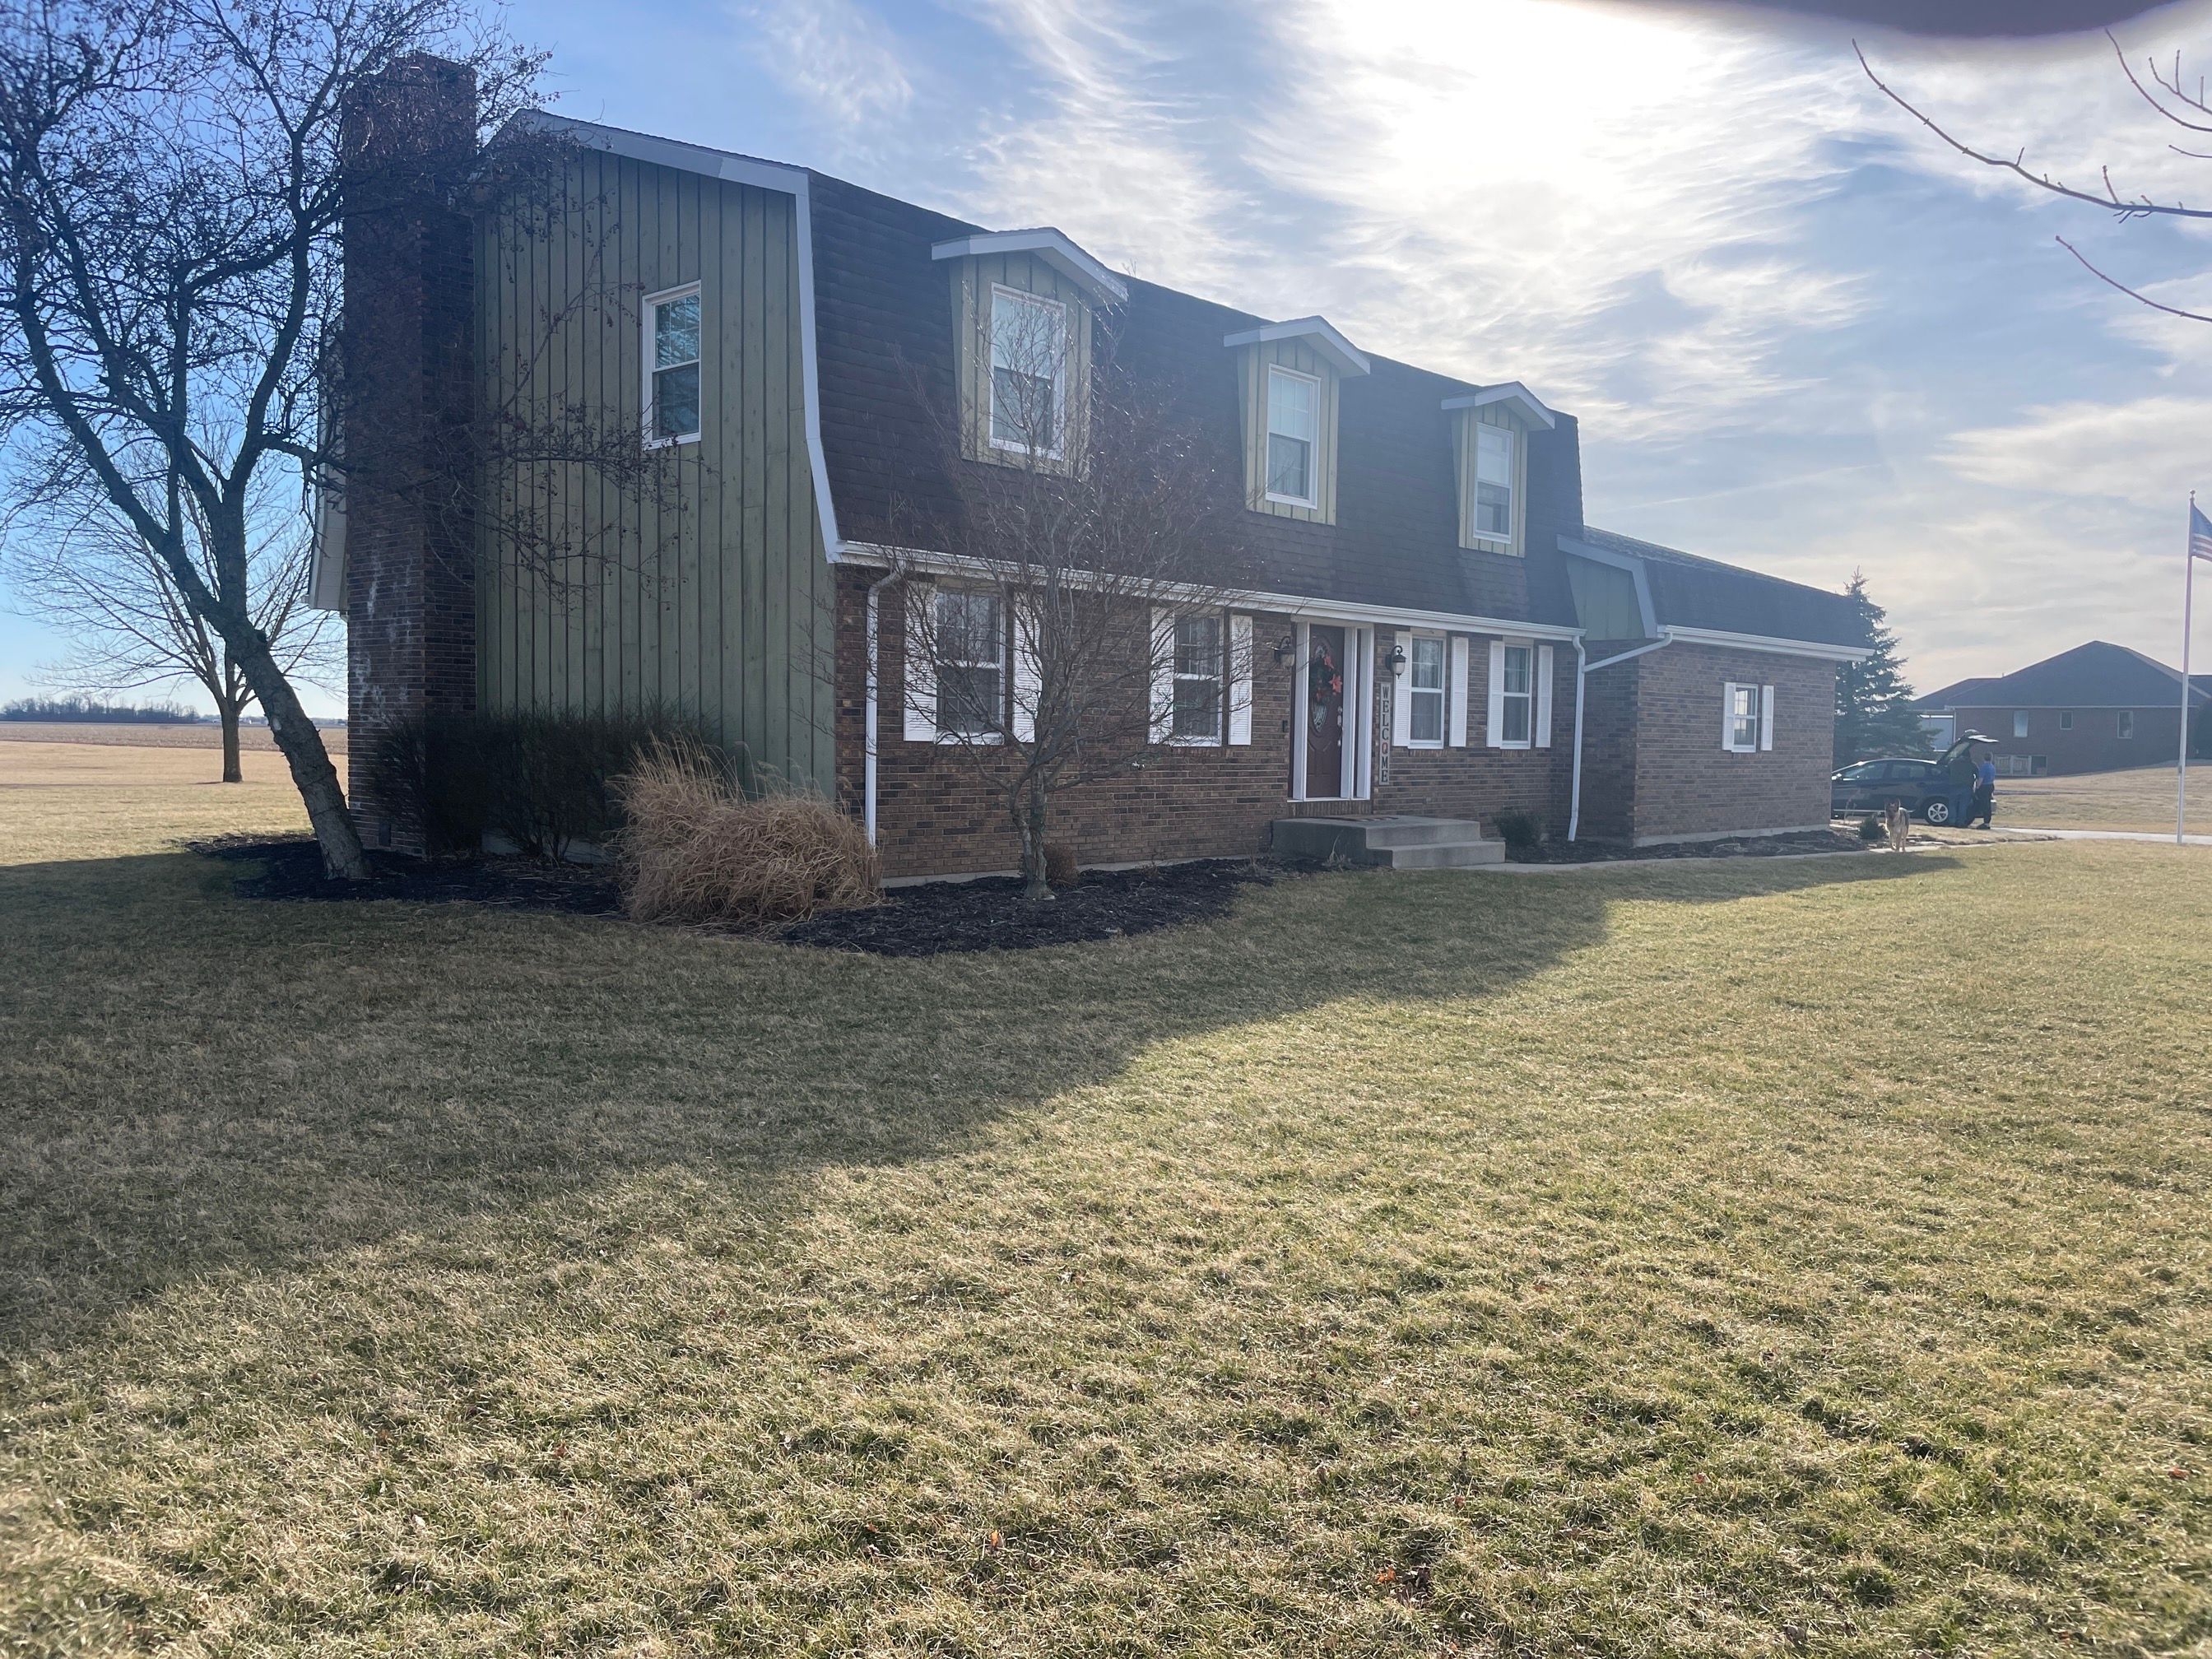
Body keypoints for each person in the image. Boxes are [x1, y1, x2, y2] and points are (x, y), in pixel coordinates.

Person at [1970, 749, 1996, 829]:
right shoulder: (1992, 767)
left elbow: (1981, 779)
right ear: (1991, 758)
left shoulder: (1984, 767)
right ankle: (1987, 821)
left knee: (1984, 804)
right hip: (1990, 785)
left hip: (1984, 787)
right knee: (1987, 804)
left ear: (1984, 758)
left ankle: (1985, 823)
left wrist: (1977, 787)